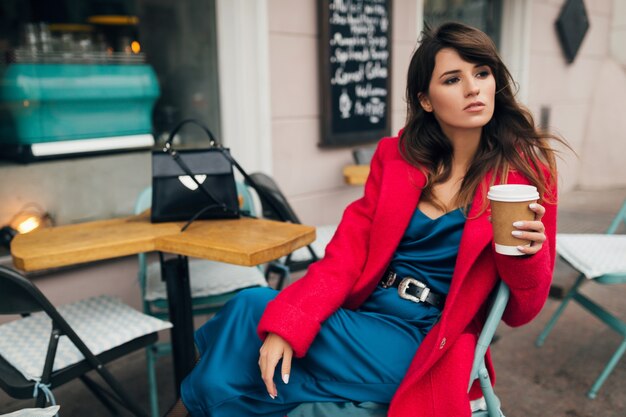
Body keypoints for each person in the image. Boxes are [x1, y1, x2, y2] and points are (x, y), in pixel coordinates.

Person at [168, 22, 566, 417]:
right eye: (452, 79)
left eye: (481, 73)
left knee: (249, 317)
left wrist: (528, 255)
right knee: (254, 313)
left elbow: (520, 313)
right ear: (426, 99)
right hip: (367, 314)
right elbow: (344, 257)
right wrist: (288, 325)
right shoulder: (395, 159)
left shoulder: (525, 175)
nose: (473, 88)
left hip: (427, 340)